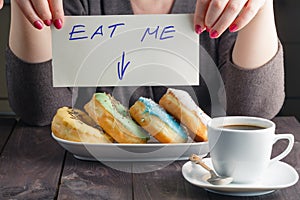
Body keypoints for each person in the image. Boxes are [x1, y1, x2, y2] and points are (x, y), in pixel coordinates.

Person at [4, 0, 284, 126]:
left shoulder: (219, 3)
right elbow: (41, 111)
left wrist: (258, 6)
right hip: (79, 178)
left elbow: (253, 111)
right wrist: (26, 6)